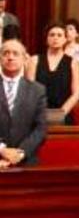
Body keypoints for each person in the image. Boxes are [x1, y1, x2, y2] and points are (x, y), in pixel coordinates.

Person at [0, 39, 47, 167]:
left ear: (24, 59)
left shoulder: (37, 90)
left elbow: (40, 129)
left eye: (15, 54)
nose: (10, 57)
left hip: (26, 162)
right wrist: (2, 150)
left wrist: (20, 153)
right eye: (6, 53)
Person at [25, 23, 79, 125]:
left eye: (59, 35)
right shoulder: (34, 60)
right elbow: (30, 92)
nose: (55, 38)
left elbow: (76, 94)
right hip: (37, 115)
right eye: (52, 35)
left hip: (64, 114)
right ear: (46, 39)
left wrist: (60, 114)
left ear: (65, 39)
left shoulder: (73, 63)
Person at [63, 18, 79, 93]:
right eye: (65, 29)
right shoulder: (60, 50)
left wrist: (78, 86)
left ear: (77, 34)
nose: (67, 31)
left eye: (70, 29)